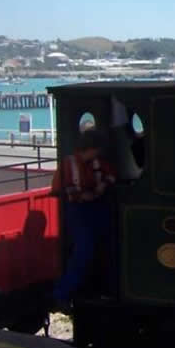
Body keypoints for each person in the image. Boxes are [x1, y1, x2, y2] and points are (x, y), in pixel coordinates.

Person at [50, 127, 116, 312]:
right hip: (78, 210)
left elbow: (111, 174)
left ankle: (105, 286)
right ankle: (61, 294)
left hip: (96, 207)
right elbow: (61, 189)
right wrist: (82, 195)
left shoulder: (97, 162)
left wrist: (103, 185)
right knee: (83, 251)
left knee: (109, 244)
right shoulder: (69, 164)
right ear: (91, 147)